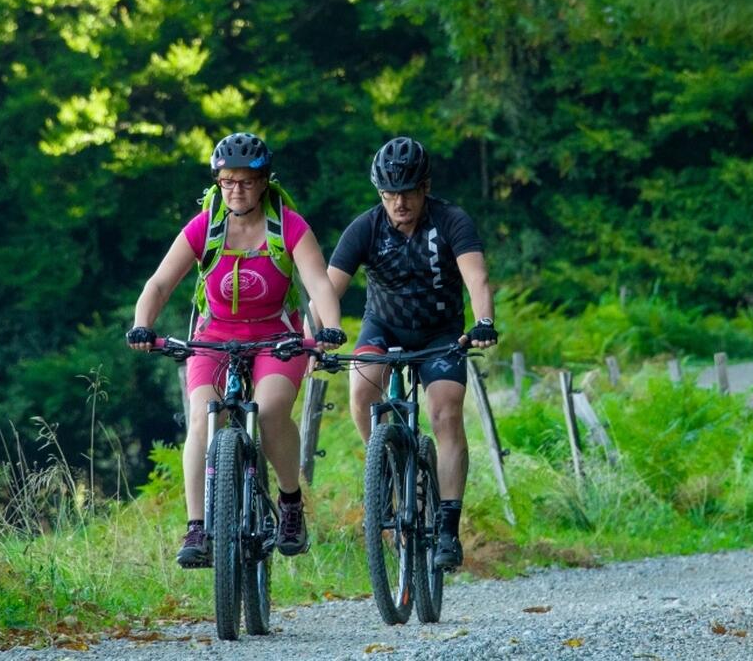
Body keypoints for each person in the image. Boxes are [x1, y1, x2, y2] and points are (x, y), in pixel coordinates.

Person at [127, 132, 347, 568]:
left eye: (245, 182)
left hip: (276, 338)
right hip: (214, 338)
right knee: (202, 420)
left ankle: (289, 504)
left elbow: (318, 283)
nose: (236, 190)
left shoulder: (290, 227)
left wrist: (331, 330)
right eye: (227, 182)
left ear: (264, 181)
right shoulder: (206, 227)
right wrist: (141, 325)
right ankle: (197, 527)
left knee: (267, 413)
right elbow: (159, 283)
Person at [326, 136, 497, 570]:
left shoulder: (452, 220)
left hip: (440, 333)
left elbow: (476, 277)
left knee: (445, 412)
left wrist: (484, 322)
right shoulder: (365, 227)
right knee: (362, 387)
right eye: (388, 194)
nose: (398, 202)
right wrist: (320, 334)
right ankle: (380, 466)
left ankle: (447, 528)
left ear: (425, 187)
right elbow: (327, 288)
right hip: (383, 326)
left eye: (406, 192)